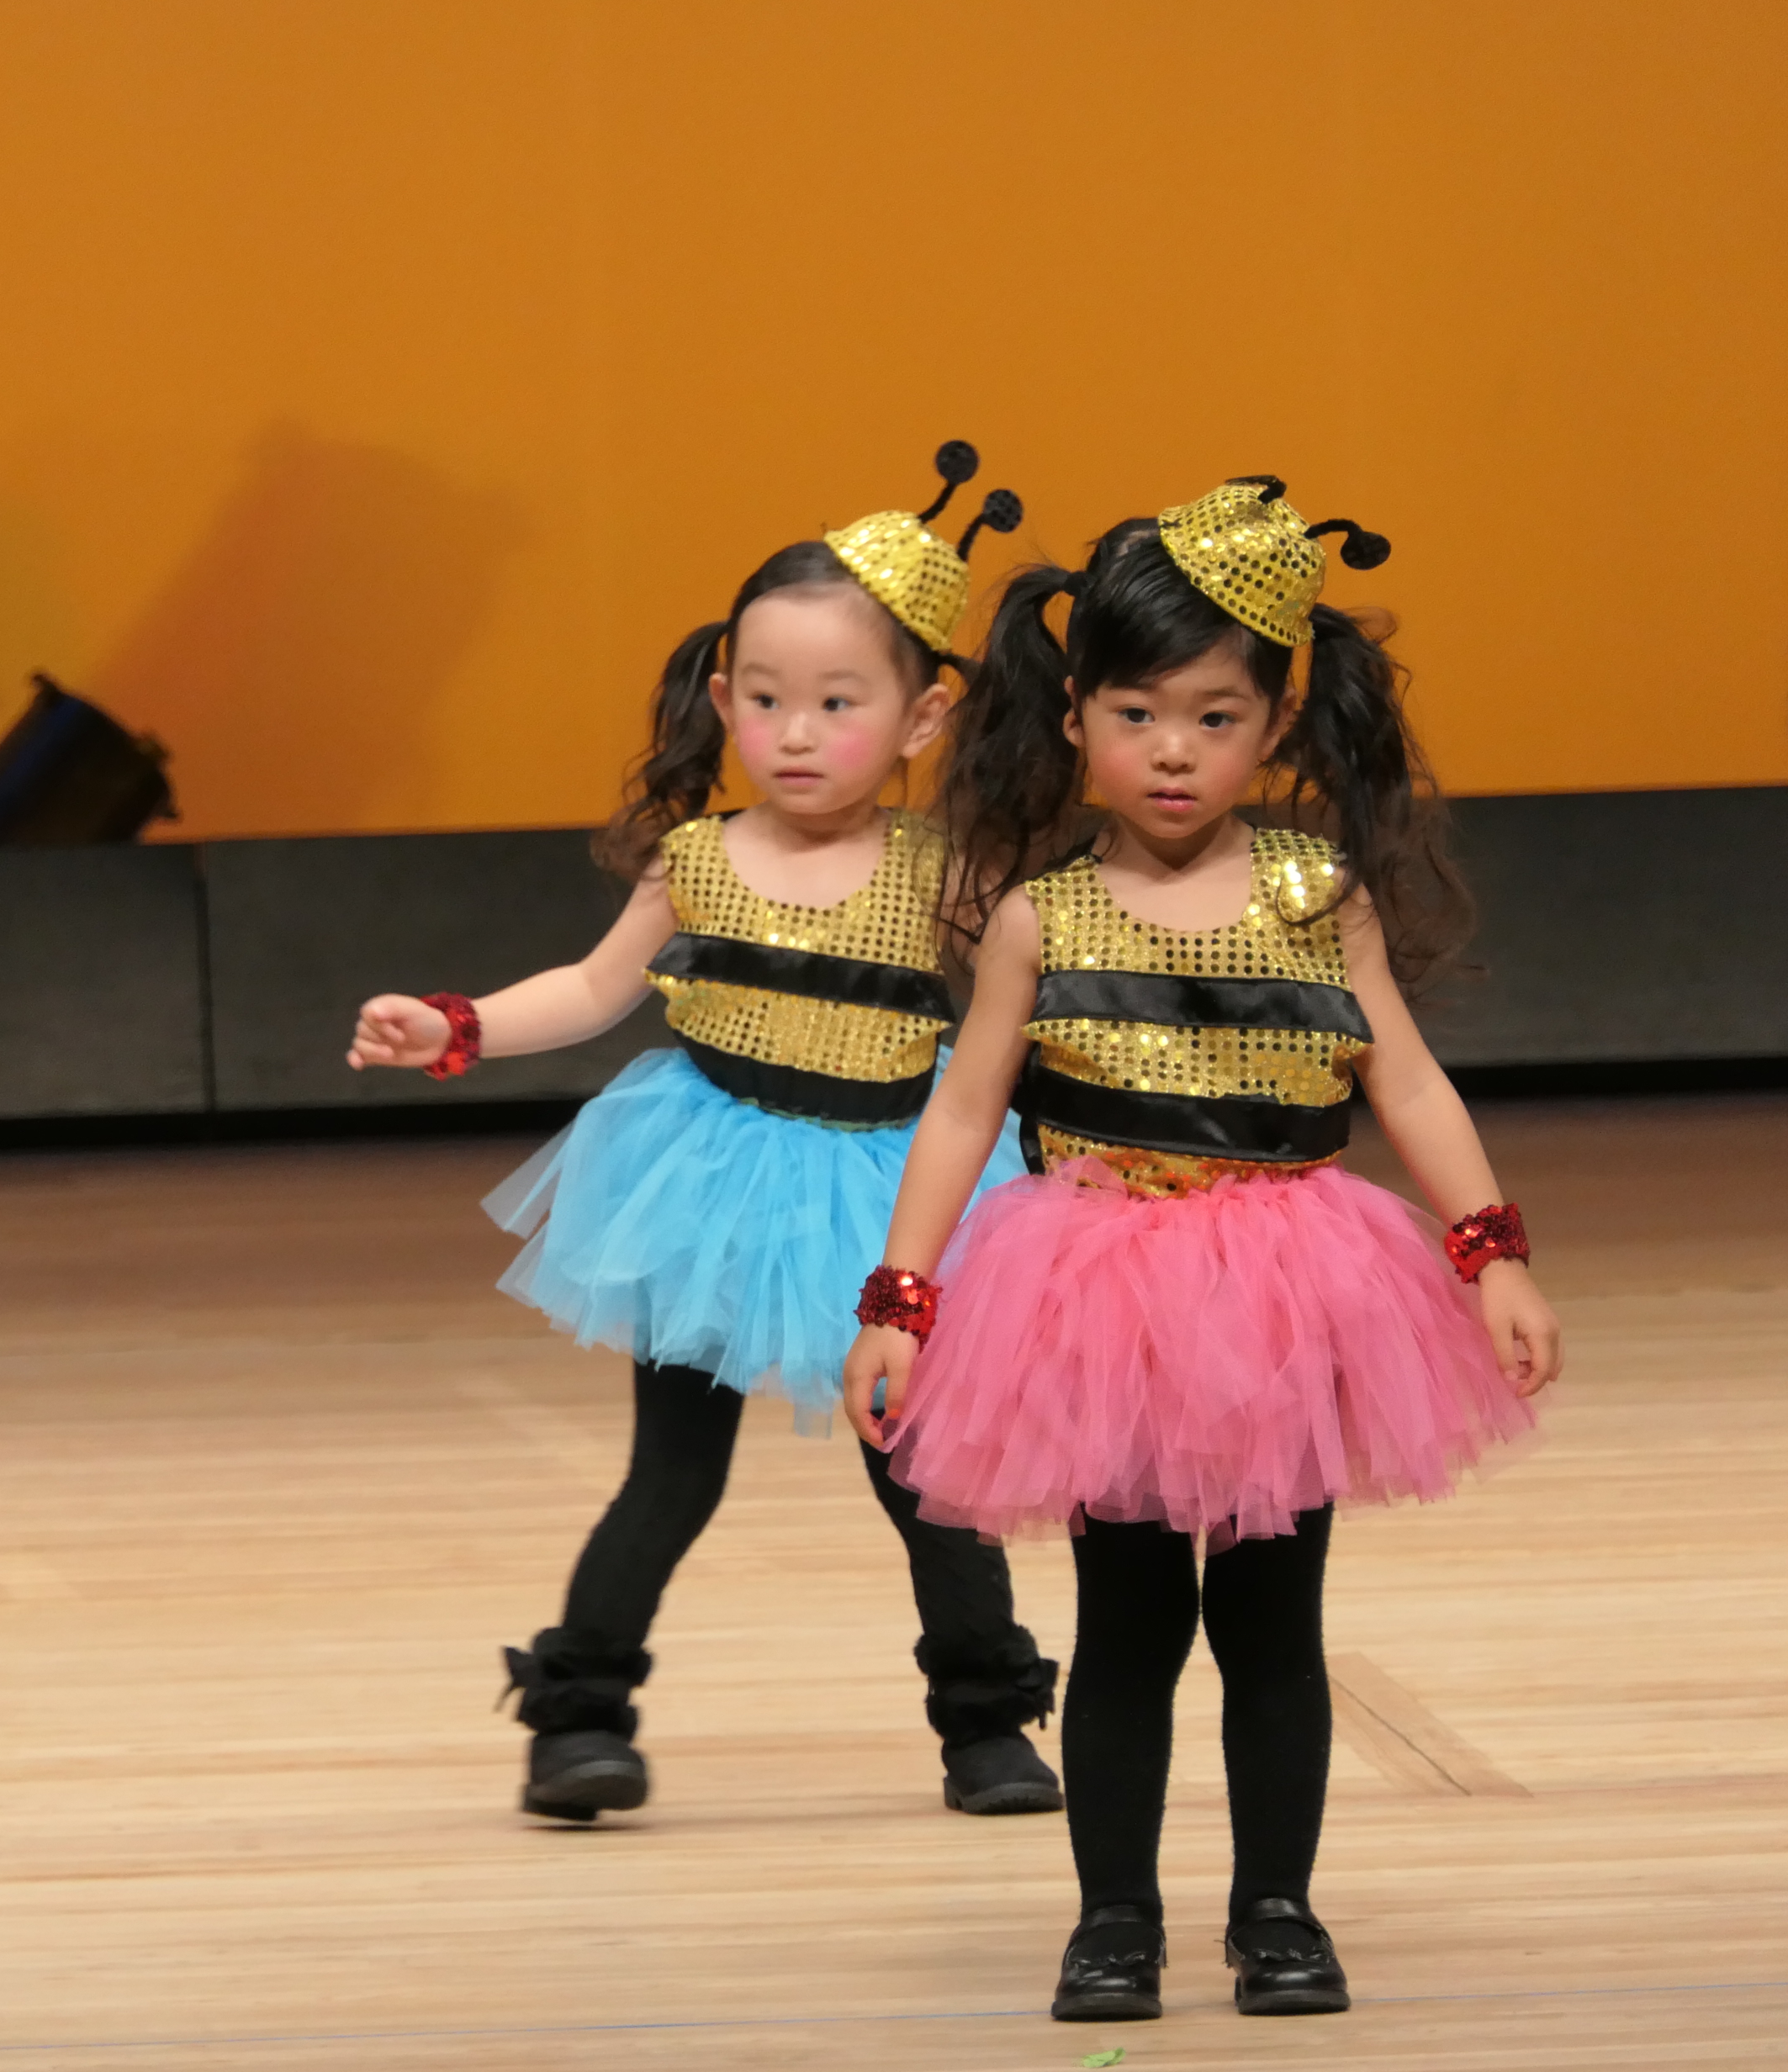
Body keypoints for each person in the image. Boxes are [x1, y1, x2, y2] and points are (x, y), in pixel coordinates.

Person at [841, 477, 1559, 2023]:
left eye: (1216, 718)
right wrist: (902, 1297)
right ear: (1076, 721)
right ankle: (1115, 1919)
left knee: (1274, 1624)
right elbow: (964, 1109)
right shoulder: (1040, 917)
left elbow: (1404, 1079)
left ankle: (1276, 1911)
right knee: (1127, 1626)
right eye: (1138, 715)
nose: (1174, 751)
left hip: (1289, 1299)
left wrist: (1489, 1251)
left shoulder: (1316, 899)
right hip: (1102, 1297)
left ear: (1275, 725)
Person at [350, 445, 1060, 1824]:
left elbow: (1019, 1021)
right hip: (713, 1186)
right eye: (768, 698)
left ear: (922, 718)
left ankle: (985, 1724)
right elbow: (592, 989)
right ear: (726, 698)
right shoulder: (699, 859)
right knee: (673, 1474)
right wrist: (459, 1025)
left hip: (889, 1196)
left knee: (922, 1475)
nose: (796, 732)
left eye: (839, 702)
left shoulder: (947, 875)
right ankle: (579, 1715)